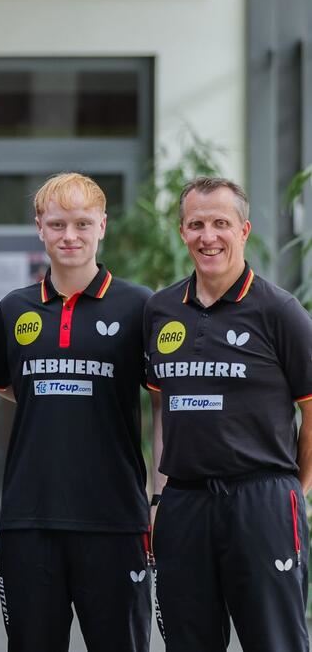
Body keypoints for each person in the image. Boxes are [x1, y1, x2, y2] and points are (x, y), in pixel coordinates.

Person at [0, 173, 155, 652]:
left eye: (81, 223)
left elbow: (168, 402)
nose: (69, 236)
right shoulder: (15, 309)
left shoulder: (140, 307)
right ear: (39, 228)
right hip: (30, 521)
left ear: (103, 226)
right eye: (57, 224)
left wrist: (161, 497)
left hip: (114, 520)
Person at [144, 176, 312, 652]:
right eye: (196, 224)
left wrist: (292, 494)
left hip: (262, 500)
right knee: (187, 639)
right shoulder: (160, 311)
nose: (208, 236)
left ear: (244, 230)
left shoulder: (280, 311)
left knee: (274, 640)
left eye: (221, 223)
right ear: (182, 232)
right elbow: (161, 407)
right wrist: (159, 498)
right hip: (184, 503)